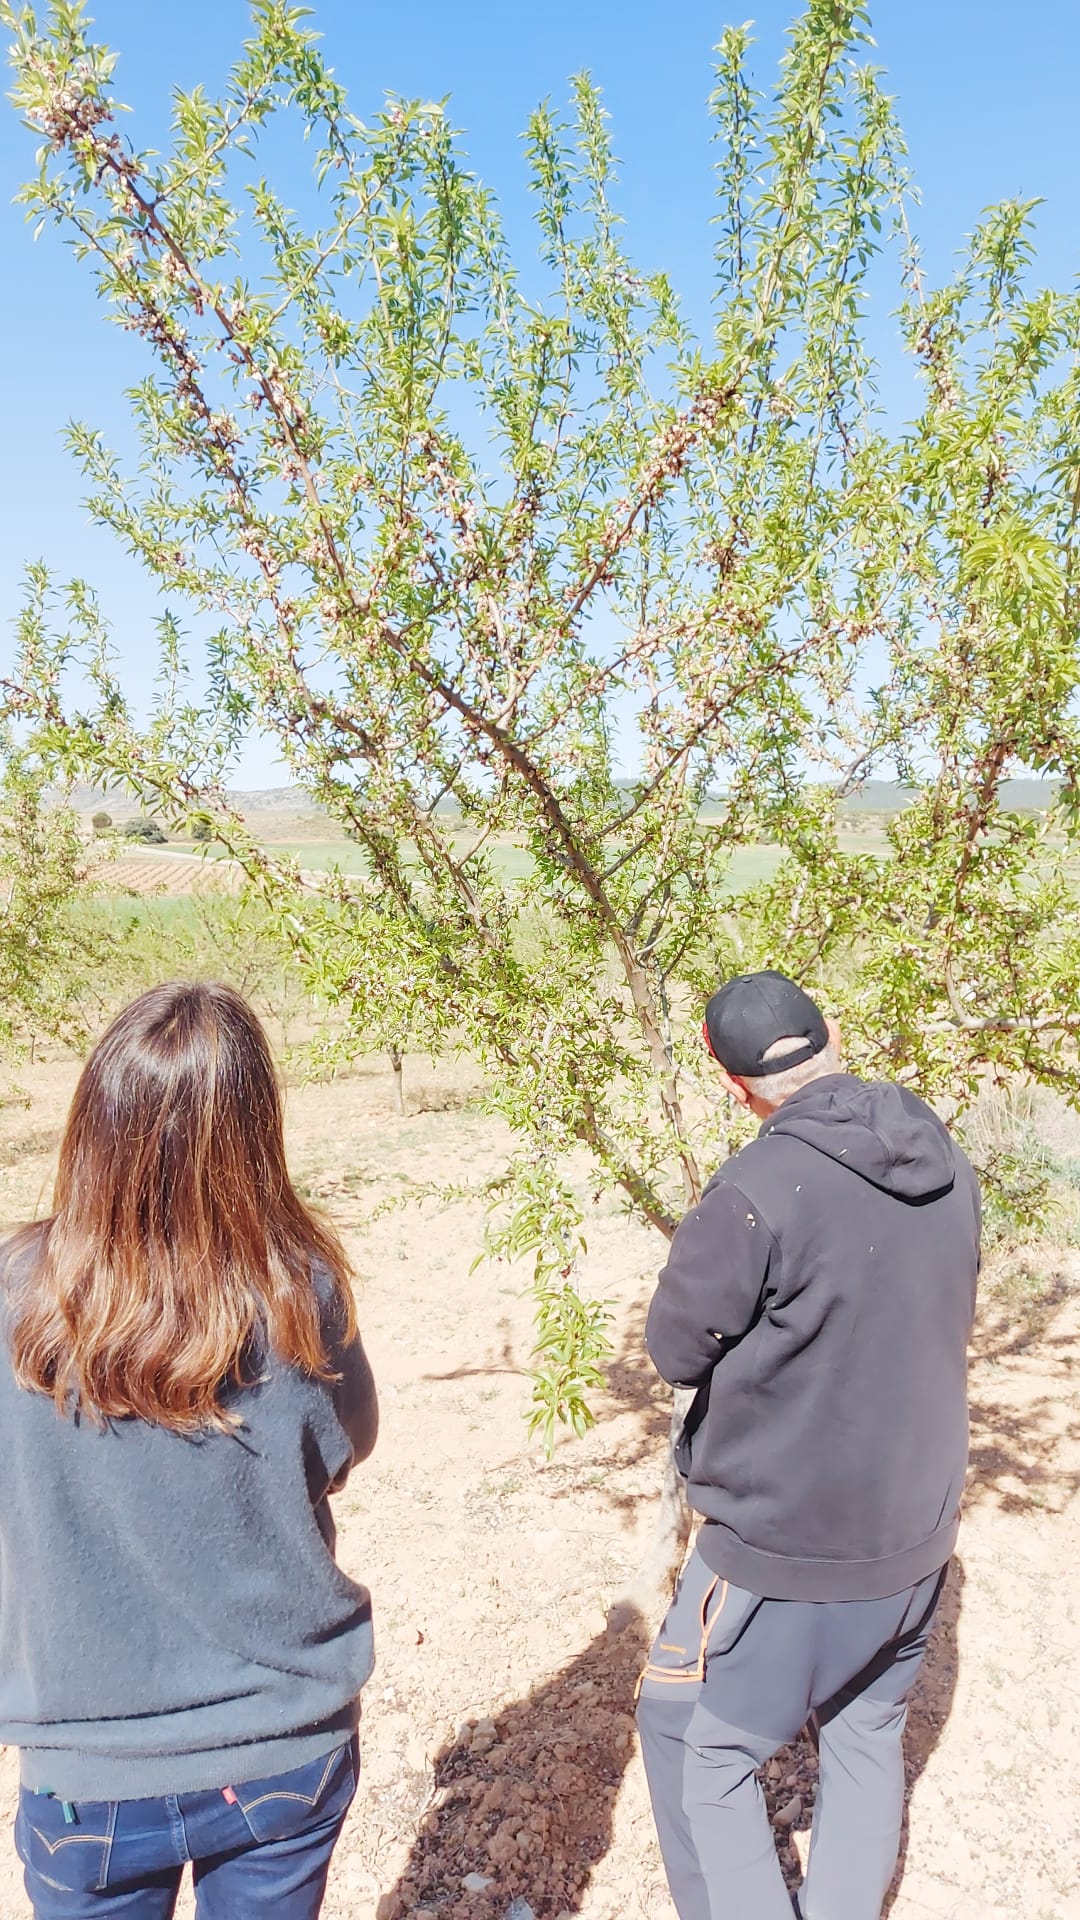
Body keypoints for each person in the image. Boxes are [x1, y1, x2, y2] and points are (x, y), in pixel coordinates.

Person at [0, 982, 378, 1920]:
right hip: (282, 1740)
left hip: (86, 1768)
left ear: (93, 1123)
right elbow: (346, 1448)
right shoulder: (299, 1290)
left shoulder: (15, 1296)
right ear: (255, 1134)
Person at [636, 969, 980, 1920]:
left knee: (696, 1748)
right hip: (918, 1529)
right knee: (865, 1736)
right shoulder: (941, 1150)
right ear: (832, 1034)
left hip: (791, 1549)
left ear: (731, 1082)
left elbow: (674, 1350)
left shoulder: (756, 1190)